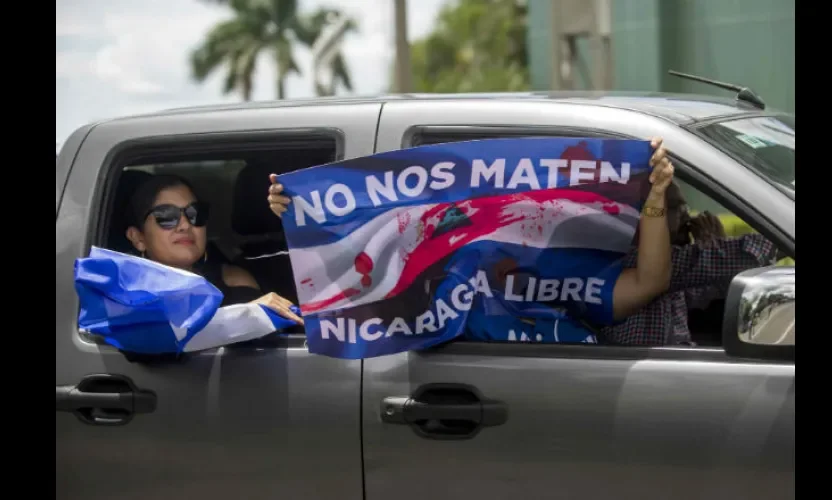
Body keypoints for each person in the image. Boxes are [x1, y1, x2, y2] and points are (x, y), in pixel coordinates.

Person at [266, 138, 677, 339]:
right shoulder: (425, 298)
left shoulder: (556, 268)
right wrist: (307, 218)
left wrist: (656, 199)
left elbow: (649, 283)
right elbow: (350, 293)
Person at [597, 180, 779, 346]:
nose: (688, 218)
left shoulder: (672, 274)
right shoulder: (636, 261)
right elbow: (740, 256)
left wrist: (712, 248)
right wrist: (778, 236)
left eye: (686, 208)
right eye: (677, 208)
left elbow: (709, 289)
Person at [125, 174, 303, 325]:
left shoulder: (233, 280)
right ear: (138, 238)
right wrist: (246, 314)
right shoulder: (124, 291)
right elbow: (152, 337)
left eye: (194, 214)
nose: (185, 225)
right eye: (166, 216)